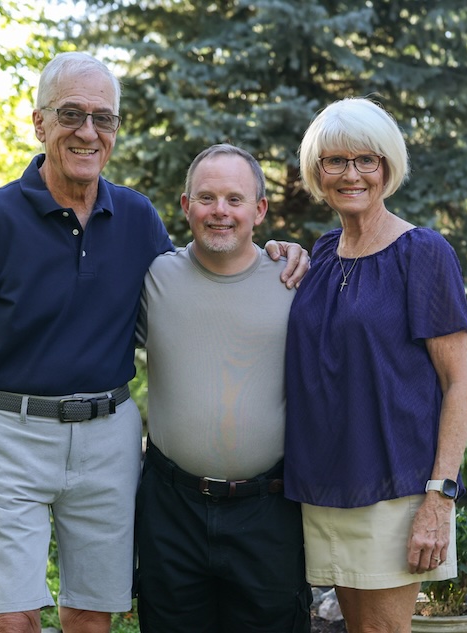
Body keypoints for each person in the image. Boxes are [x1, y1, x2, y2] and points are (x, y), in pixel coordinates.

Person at [0, 52, 308, 633]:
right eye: (71, 114)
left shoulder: (135, 217)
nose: (87, 131)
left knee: (90, 615)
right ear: (39, 123)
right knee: (12, 619)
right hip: (10, 434)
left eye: (103, 118)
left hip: (109, 436)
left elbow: (200, 276)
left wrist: (277, 251)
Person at [284, 97, 467, 632]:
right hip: (327, 487)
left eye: (366, 160)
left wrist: (440, 498)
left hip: (395, 487)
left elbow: (459, 383)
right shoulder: (320, 254)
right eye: (336, 161)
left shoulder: (423, 253)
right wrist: (277, 251)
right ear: (317, 171)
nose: (352, 174)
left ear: (387, 167)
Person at [135, 143, 312, 633]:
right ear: (185, 205)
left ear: (259, 210)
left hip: (268, 511)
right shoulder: (154, 278)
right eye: (206, 198)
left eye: (235, 199)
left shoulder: (294, 281)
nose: (220, 211)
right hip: (171, 511)